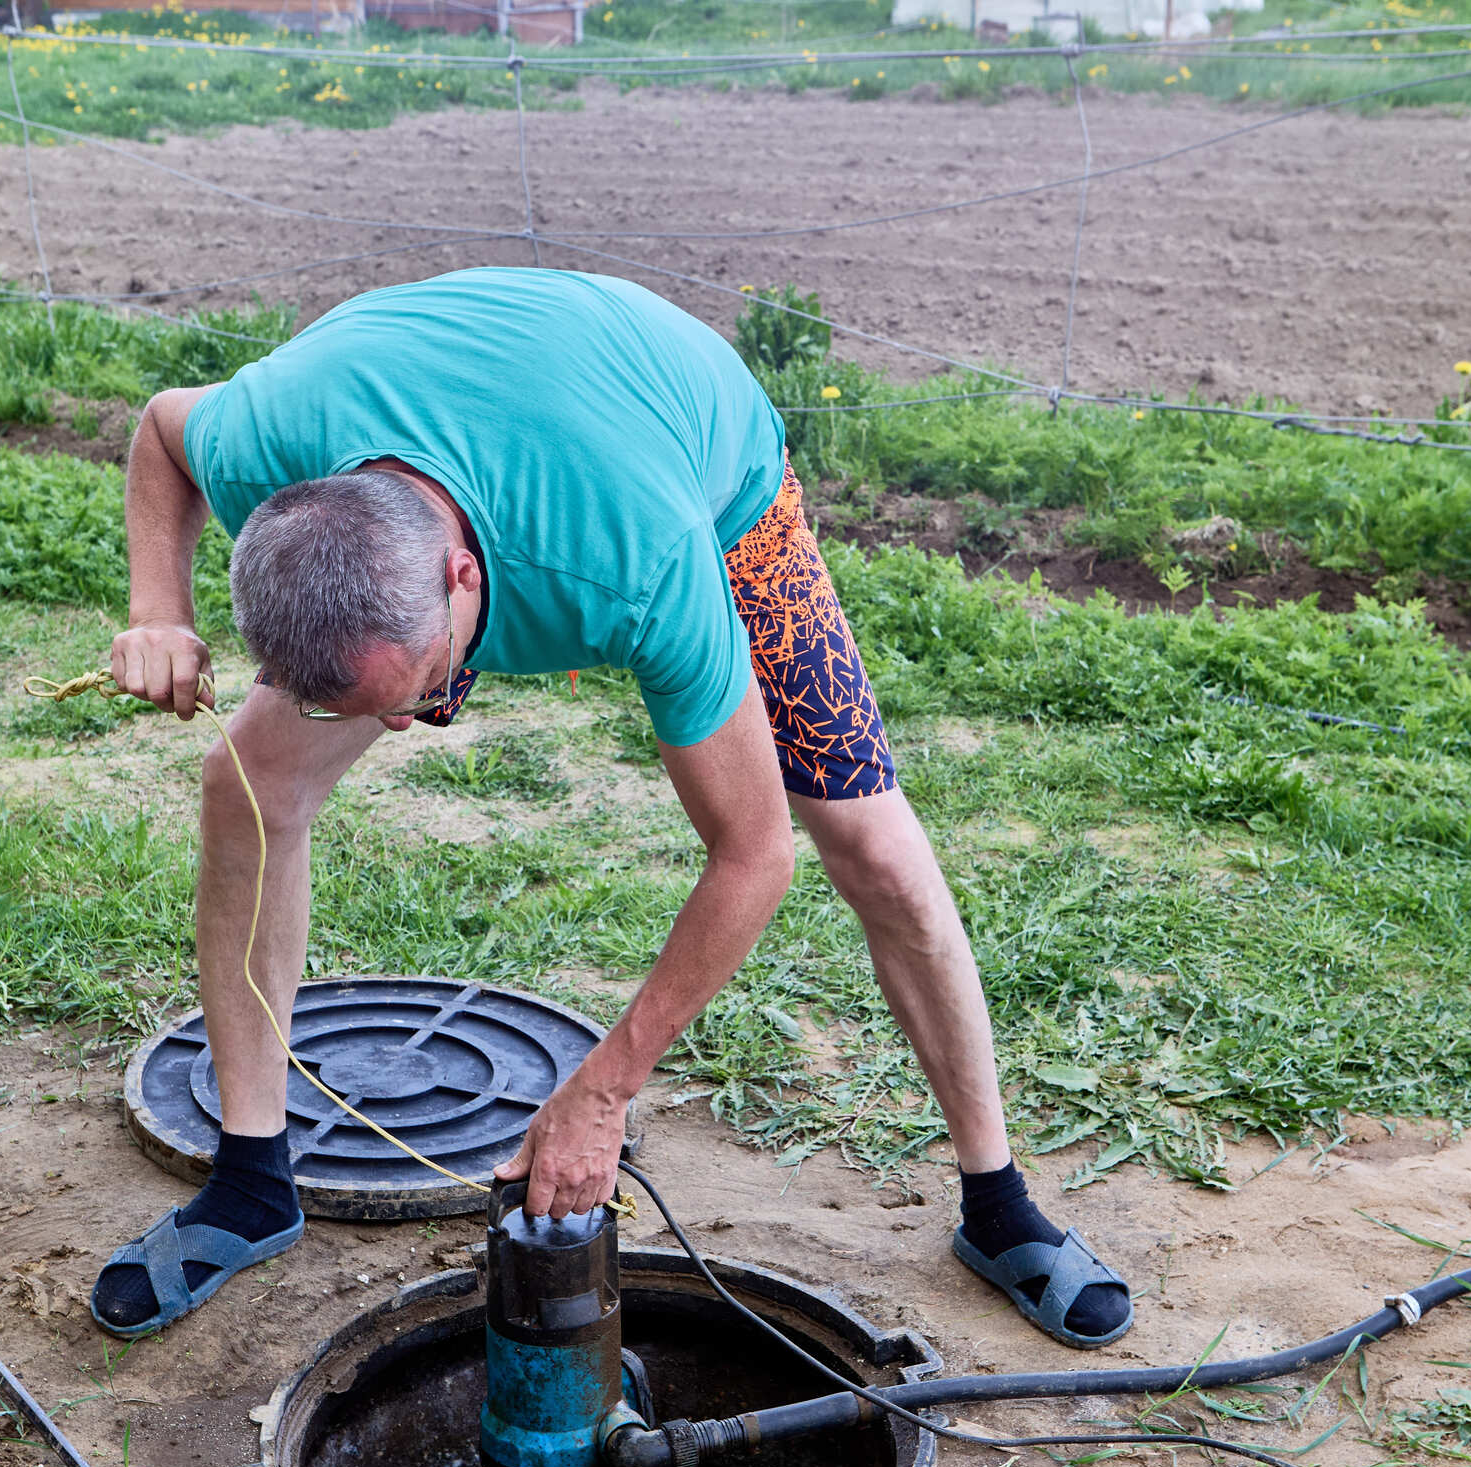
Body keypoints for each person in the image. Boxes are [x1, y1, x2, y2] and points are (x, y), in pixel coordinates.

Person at [88, 267, 1132, 1351]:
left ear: (459, 579)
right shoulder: (274, 434)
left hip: (697, 461)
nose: (402, 732)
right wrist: (156, 607)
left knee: (867, 843)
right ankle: (252, 1183)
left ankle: (1000, 1205)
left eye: (416, 696)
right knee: (245, 783)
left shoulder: (636, 558)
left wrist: (602, 1090)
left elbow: (752, 853)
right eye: (369, 708)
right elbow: (165, 433)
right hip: (451, 412)